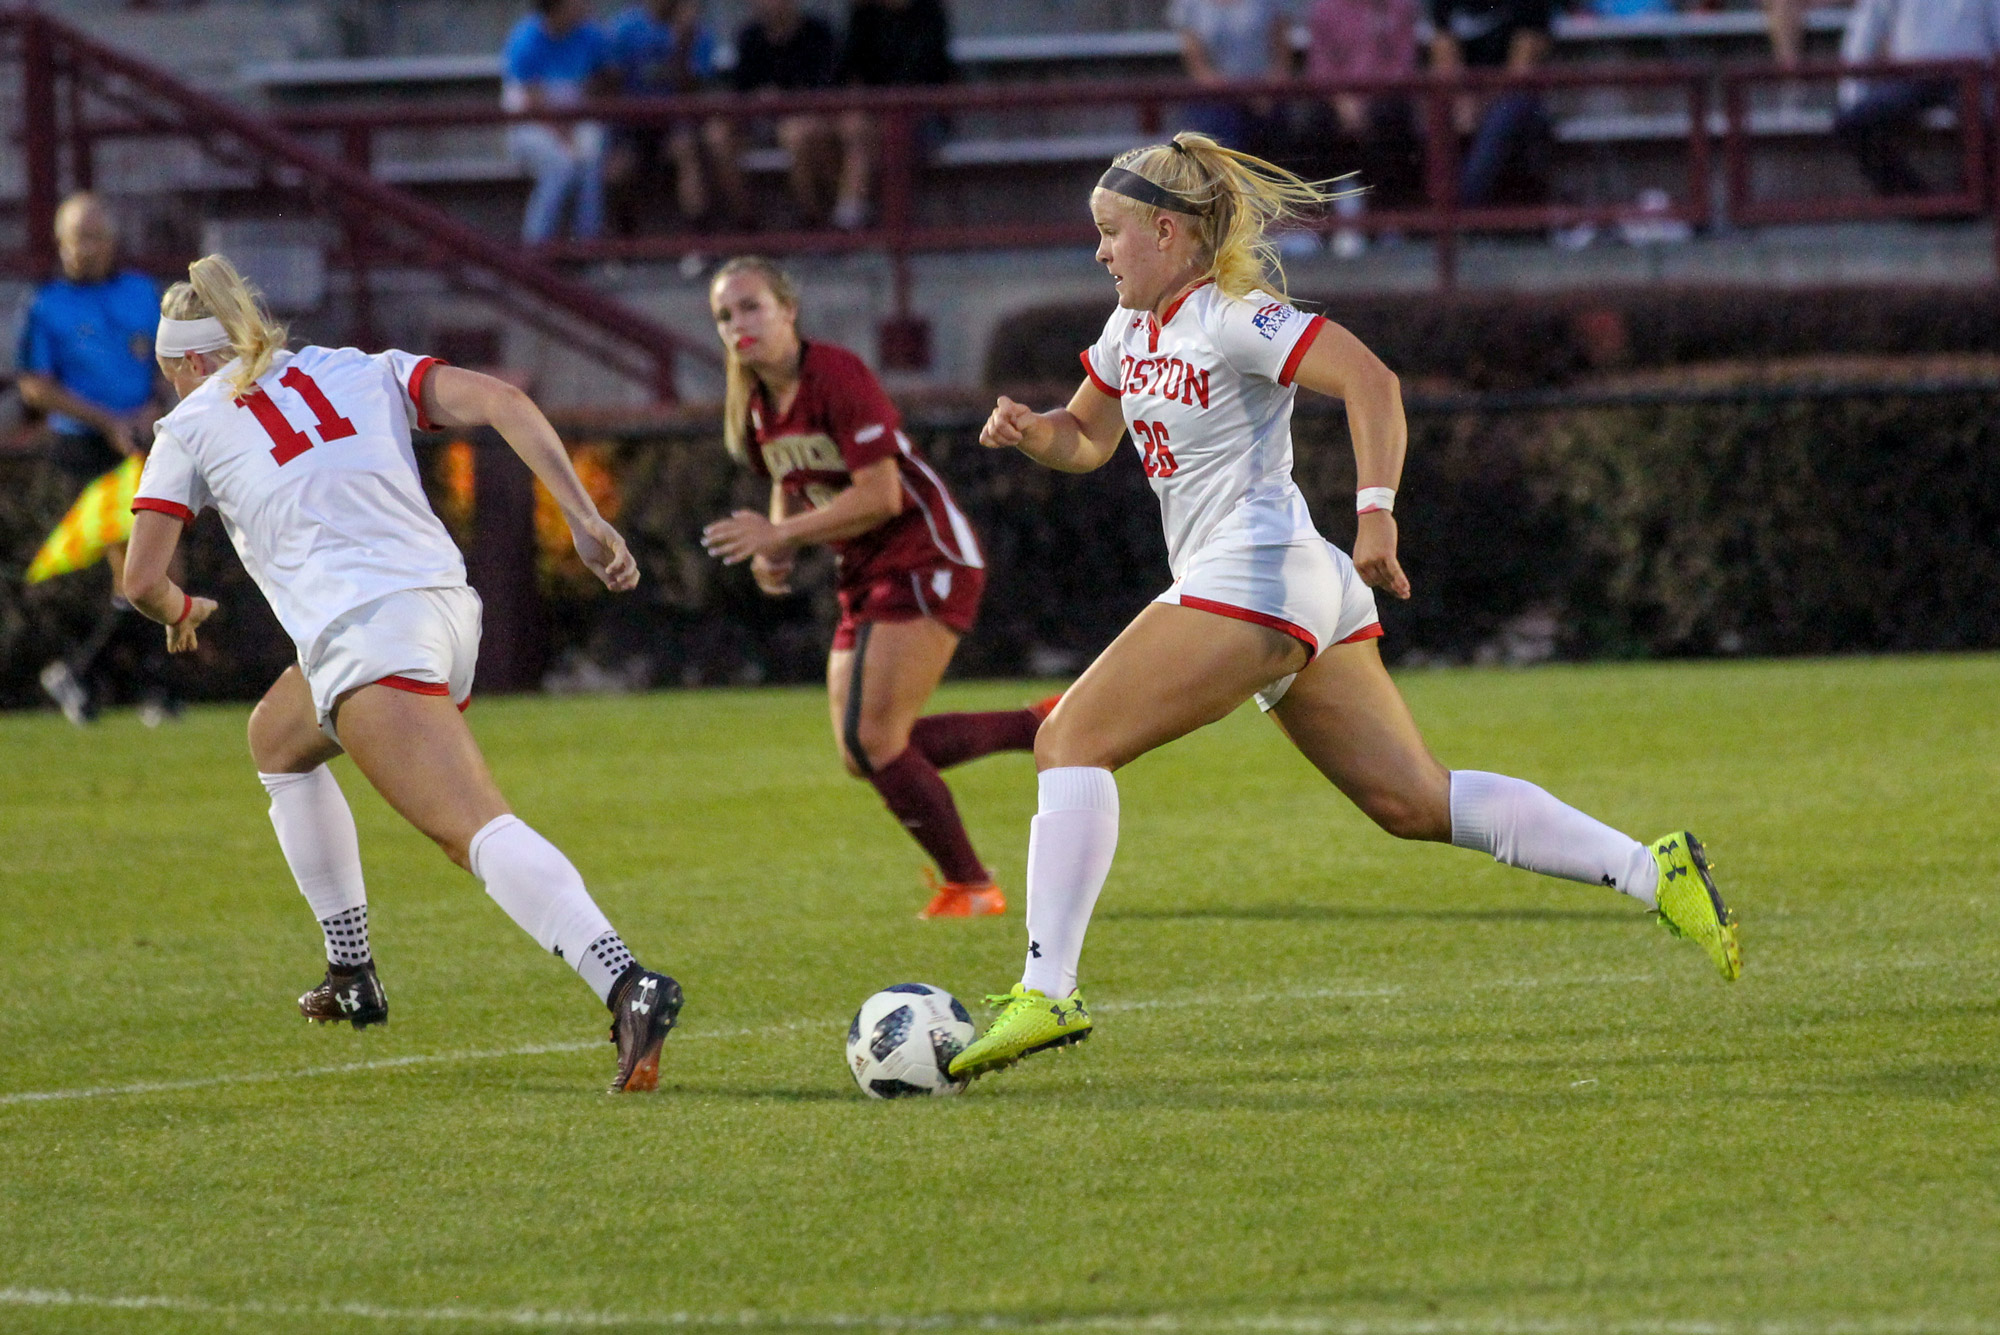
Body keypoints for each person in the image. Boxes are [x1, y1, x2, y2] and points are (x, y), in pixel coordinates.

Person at [950, 133, 1743, 1081]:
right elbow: (1086, 438)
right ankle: (1658, 870)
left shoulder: (1234, 315)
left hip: (1261, 570)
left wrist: (1379, 515)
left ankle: (1047, 991)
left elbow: (1371, 380)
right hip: (1288, 581)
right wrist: (1035, 432)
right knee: (1414, 802)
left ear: (1167, 231)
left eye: (1111, 233)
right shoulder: (1130, 330)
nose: (1100, 251)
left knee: (1068, 741)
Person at [120, 254, 681, 1094]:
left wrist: (180, 610)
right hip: (445, 612)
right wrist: (582, 514)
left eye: (171, 375)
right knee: (278, 736)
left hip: (366, 634)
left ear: (191, 362)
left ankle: (626, 978)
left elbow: (140, 580)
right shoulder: (358, 367)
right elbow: (505, 400)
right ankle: (352, 972)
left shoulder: (192, 421)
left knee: (475, 832)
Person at [699, 256, 1051, 918]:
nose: (738, 323)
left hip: (925, 551)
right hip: (865, 568)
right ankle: (1037, 726)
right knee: (863, 752)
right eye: (724, 314)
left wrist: (783, 536)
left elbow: (883, 495)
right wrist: (778, 545)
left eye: (751, 306)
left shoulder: (833, 372)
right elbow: (788, 477)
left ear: (787, 309)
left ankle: (972, 886)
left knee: (875, 740)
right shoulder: (752, 403)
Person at [15, 192, 173, 725]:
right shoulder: (47, 306)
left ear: (112, 241)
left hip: (144, 439)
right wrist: (108, 422)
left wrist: (153, 404)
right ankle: (146, 688)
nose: (85, 248)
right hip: (84, 446)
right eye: (75, 238)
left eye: (95, 236)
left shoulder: (140, 294)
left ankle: (86, 677)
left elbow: (163, 360)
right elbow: (35, 386)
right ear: (60, 244)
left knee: (163, 564)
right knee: (139, 563)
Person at [1834, 0, 2000, 198]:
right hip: (1910, 77)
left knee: (1987, 123)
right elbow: (1867, 27)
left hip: (1970, 79)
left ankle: (1975, 197)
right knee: (1853, 123)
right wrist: (1852, 96)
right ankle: (1910, 198)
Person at [1305, 0, 1421, 258]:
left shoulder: (1400, 7)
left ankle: (1386, 220)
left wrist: (1368, 100)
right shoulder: (1327, 8)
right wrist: (1343, 101)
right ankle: (1335, 220)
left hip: (1383, 97)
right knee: (1315, 123)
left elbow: (1403, 64)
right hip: (1339, 100)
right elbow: (1320, 65)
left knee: (1390, 119)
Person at [715, 0, 844, 228]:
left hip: (807, 119)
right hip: (758, 120)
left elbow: (825, 87)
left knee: (793, 133)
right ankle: (745, 222)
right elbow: (739, 89)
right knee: (717, 135)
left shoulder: (817, 33)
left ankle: (813, 219)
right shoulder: (749, 36)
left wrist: (786, 98)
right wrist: (759, 98)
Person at [835, 0, 955, 231]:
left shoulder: (930, 15)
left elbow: (923, 73)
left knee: (868, 137)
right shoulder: (864, 16)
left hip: (922, 118)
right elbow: (842, 71)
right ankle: (854, 218)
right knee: (851, 132)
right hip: (872, 117)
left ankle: (850, 222)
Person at [605, 0, 723, 232]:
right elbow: (612, 86)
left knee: (686, 148)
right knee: (616, 170)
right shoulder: (624, 29)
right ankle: (624, 239)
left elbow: (692, 90)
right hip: (633, 123)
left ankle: (698, 237)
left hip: (674, 123)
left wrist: (682, 45)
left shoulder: (696, 33)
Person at [503, 0, 613, 245]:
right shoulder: (527, 39)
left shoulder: (590, 35)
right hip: (531, 126)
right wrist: (566, 139)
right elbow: (535, 104)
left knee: (592, 158)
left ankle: (588, 247)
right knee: (560, 167)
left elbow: (605, 80)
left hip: (575, 121)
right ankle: (536, 250)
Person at [1429, 0, 1555, 209]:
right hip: (1463, 98)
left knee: (1507, 114)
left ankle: (1459, 211)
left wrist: (1481, 102)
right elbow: (1444, 58)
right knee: (1432, 110)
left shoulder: (1532, 5)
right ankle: (1435, 212)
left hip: (1515, 101)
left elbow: (1520, 73)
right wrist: (1463, 98)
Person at [1169, 0, 1294, 153]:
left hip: (1264, 95)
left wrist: (1266, 90)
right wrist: (1238, 94)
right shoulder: (1189, 4)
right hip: (1217, 98)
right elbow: (1198, 67)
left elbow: (1282, 57)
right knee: (1218, 123)